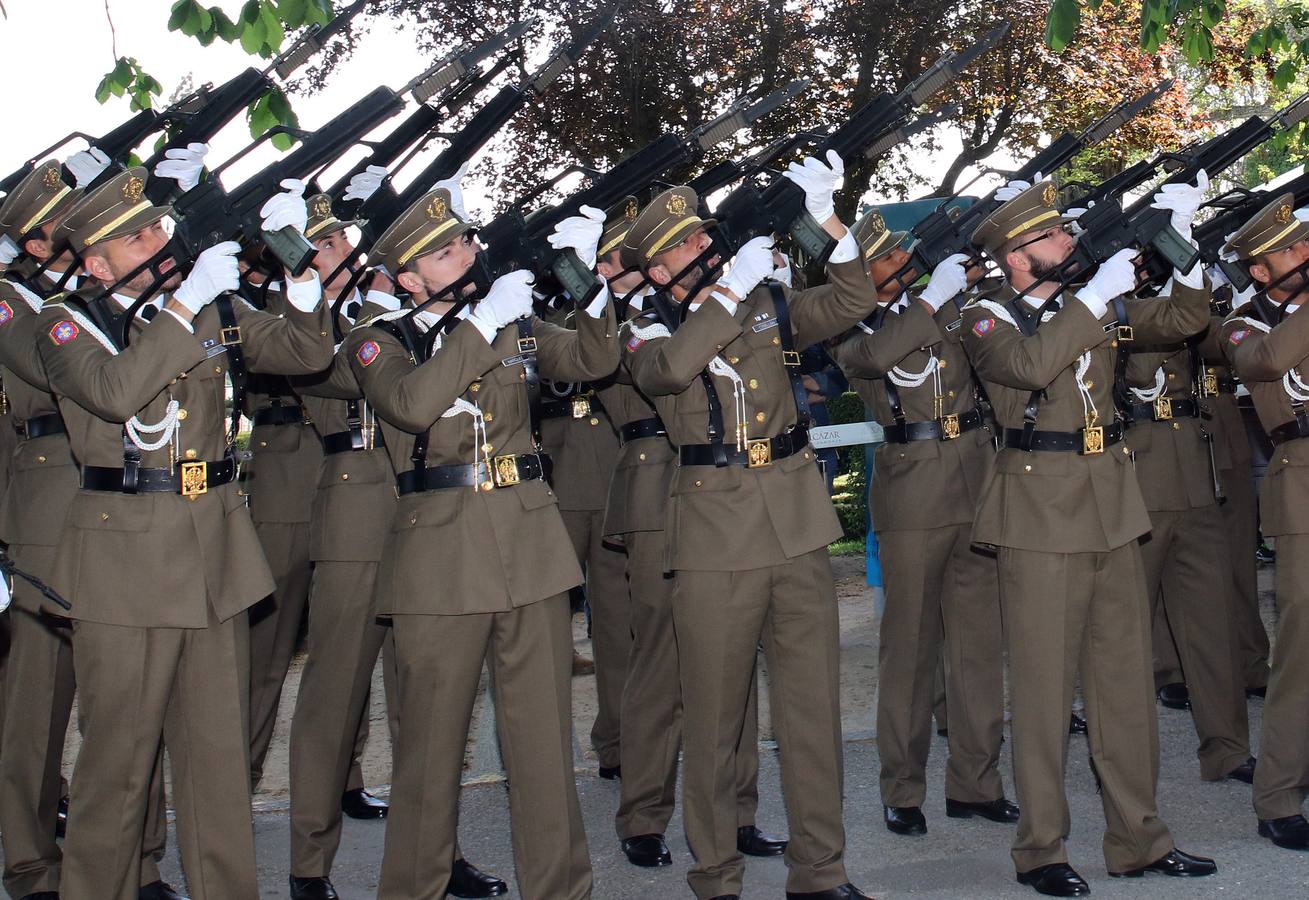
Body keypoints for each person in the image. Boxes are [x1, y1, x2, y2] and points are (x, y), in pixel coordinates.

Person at [36, 168, 333, 900]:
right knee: (118, 768)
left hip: (214, 550)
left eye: (156, 227)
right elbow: (112, 393)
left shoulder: (205, 305)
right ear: (97, 263)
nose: (159, 240)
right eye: (138, 236)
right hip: (125, 560)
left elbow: (305, 355)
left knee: (215, 764)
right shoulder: (64, 322)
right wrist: (184, 300)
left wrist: (298, 268)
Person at [347, 188, 615, 899]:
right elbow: (408, 404)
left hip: (528, 540)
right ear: (408, 279)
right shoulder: (381, 338)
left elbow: (591, 360)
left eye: (464, 241)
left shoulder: (512, 324)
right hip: (441, 555)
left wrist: (586, 279)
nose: (466, 253)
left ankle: (561, 888)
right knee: (432, 751)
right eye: (445, 252)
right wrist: (481, 319)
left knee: (541, 745)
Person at [623, 153, 876, 900]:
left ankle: (819, 873)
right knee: (713, 719)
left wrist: (830, 218)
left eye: (704, 239)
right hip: (713, 533)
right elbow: (670, 370)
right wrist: (727, 288)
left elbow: (855, 296)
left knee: (809, 712)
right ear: (655, 269)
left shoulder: (769, 298)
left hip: (794, 519)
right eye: (683, 247)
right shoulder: (641, 326)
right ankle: (715, 876)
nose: (701, 251)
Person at [961, 177, 1217, 896]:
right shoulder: (984, 316)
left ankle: (1138, 838)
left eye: (1064, 232)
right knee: (1043, 694)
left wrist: (1182, 236)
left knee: (1123, 686)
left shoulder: (1095, 306)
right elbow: (1027, 368)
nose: (1068, 241)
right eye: (1050, 237)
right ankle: (1040, 850)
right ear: (1015, 256)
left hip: (1109, 498)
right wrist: (1089, 295)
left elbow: (1185, 319)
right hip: (1038, 512)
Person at [285, 192, 505, 900]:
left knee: (430, 702)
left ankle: (436, 857)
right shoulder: (320, 325)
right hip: (358, 513)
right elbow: (319, 359)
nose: (339, 254)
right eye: (322, 247)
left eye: (344, 242)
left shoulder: (415, 315)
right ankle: (309, 861)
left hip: (432, 509)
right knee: (336, 694)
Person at [595, 198, 785, 870]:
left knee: (731, 667)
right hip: (657, 493)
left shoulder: (713, 304)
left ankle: (735, 813)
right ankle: (644, 813)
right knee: (661, 664)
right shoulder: (626, 321)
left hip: (726, 493)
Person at [830, 209, 1014, 838]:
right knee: (908, 648)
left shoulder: (952, 303)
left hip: (975, 474)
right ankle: (902, 787)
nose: (902, 260)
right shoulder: (850, 326)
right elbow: (881, 355)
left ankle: (976, 782)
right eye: (887, 256)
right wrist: (934, 298)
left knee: (978, 645)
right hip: (911, 487)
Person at [1216, 193, 1309, 851]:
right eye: (1289, 248)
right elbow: (1267, 366)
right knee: (1301, 656)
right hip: (1300, 483)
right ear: (1258, 270)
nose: (1304, 252)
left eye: (1302, 242)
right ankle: (1277, 797)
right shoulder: (1243, 325)